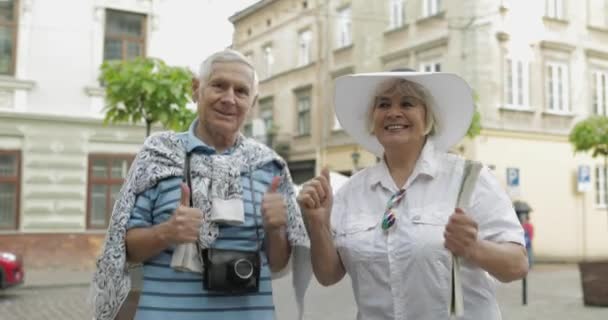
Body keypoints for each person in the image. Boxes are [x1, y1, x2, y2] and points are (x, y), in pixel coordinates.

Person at [90, 49, 309, 320]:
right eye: (219, 85)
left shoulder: (269, 167)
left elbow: (278, 263)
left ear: (253, 103)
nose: (229, 99)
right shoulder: (159, 154)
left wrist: (275, 229)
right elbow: (126, 249)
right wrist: (167, 233)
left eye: (241, 91)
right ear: (196, 89)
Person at [297, 70, 528, 319]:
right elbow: (328, 276)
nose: (393, 112)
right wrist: (318, 222)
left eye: (407, 103)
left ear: (428, 118)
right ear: (373, 120)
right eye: (383, 104)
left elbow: (517, 266)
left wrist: (473, 248)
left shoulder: (468, 179)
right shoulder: (351, 192)